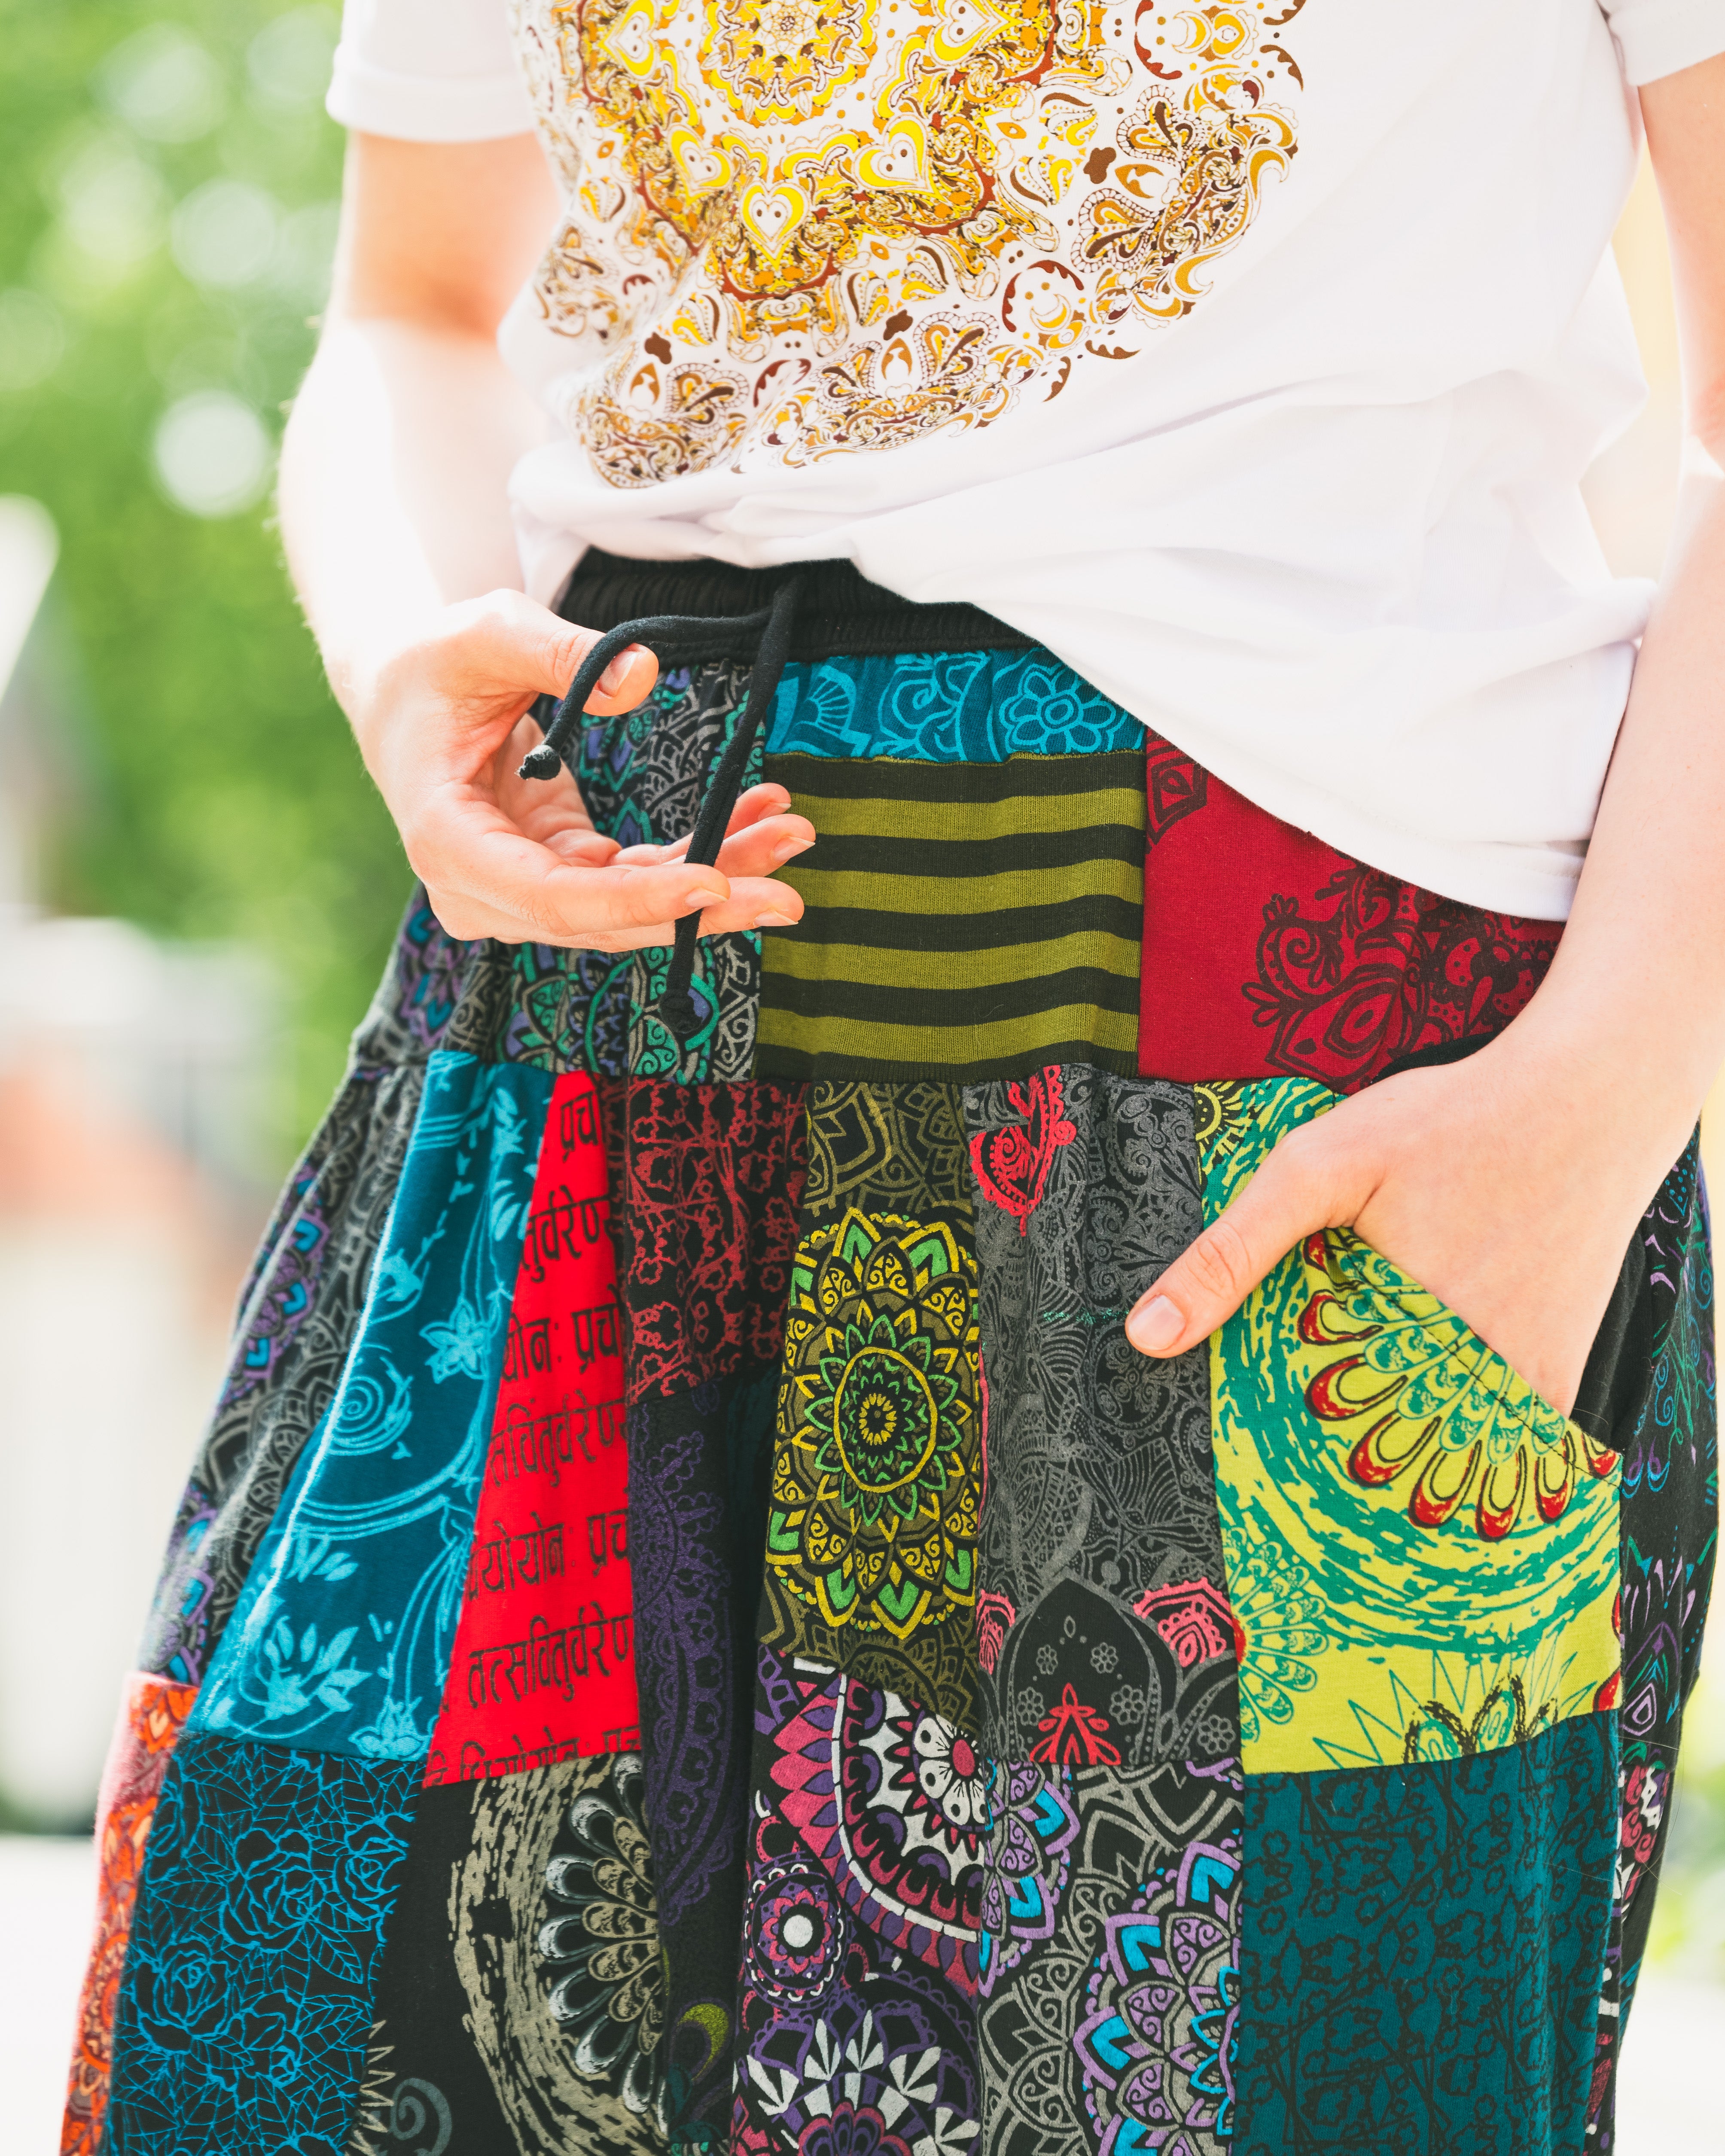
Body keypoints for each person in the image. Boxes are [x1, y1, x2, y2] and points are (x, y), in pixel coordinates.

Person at [63, 2, 1722, 2152]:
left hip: (1285, 1093)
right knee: (283, 2051)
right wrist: (401, 654)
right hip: (590, 1028)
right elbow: (417, 302)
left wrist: (1591, 1106)